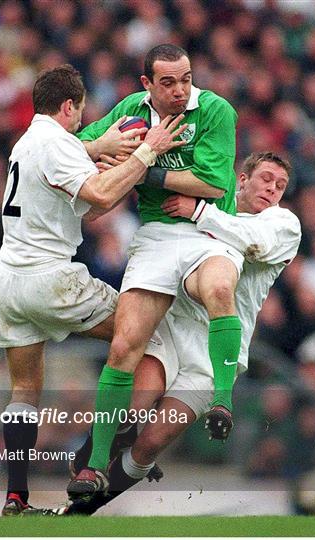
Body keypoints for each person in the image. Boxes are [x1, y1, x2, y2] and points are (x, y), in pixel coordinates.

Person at [0, 63, 186, 516]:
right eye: (79, 112)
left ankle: (16, 499)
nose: (81, 119)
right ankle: (92, 458)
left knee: (24, 390)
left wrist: (100, 150)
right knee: (146, 340)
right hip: (51, 278)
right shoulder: (57, 142)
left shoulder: (27, 143)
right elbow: (98, 195)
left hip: (9, 281)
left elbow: (84, 196)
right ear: (67, 106)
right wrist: (145, 154)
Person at [59, 152, 301, 515]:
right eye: (266, 178)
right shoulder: (212, 199)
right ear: (242, 179)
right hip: (172, 327)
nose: (272, 189)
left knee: (153, 441)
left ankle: (87, 507)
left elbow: (252, 240)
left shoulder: (283, 223)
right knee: (134, 407)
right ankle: (91, 461)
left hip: (215, 351)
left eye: (280, 186)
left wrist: (199, 212)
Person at [71, 43, 241, 498]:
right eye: (167, 82)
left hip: (208, 234)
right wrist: (107, 150)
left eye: (185, 79)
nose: (179, 90)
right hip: (157, 237)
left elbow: (213, 183)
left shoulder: (214, 110)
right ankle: (93, 466)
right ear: (147, 84)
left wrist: (140, 168)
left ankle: (223, 401)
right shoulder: (131, 110)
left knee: (220, 287)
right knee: (125, 344)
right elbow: (79, 148)